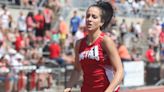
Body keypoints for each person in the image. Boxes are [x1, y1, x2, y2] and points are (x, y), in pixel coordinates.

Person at [64, 1, 123, 92]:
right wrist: (68, 87)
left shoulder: (105, 41)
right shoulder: (79, 43)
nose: (89, 19)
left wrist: (108, 91)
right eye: (87, 16)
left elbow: (119, 70)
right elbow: (77, 69)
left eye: (94, 17)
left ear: (101, 22)